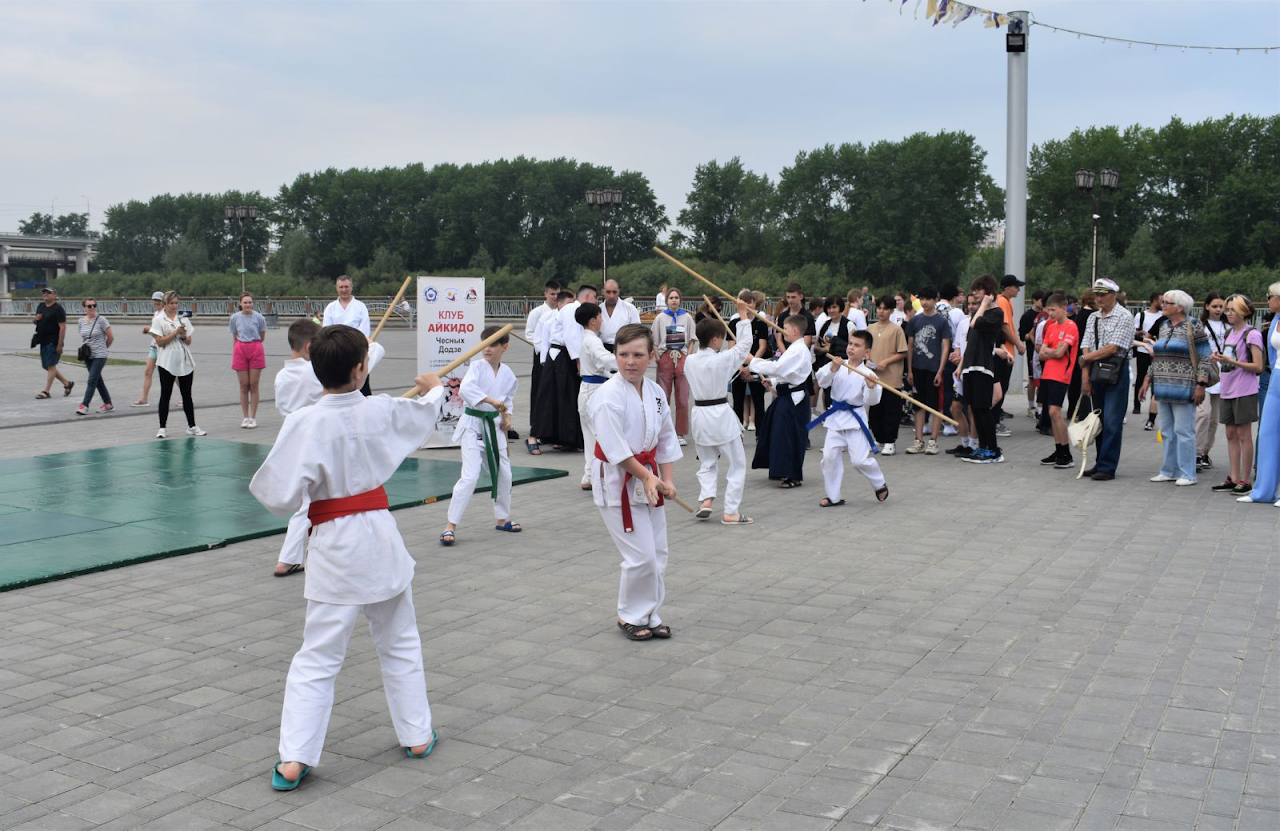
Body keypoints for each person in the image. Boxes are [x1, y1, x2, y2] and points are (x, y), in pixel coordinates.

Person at [249, 326, 444, 789]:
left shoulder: (304, 422)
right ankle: (417, 735)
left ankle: (295, 758)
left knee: (319, 655)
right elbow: (422, 414)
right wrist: (435, 388)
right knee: (399, 640)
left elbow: (276, 496)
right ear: (361, 369)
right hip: (379, 538)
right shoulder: (381, 409)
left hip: (335, 545)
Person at [586, 323, 681, 641]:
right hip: (617, 482)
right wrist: (648, 476)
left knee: (658, 552)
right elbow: (616, 451)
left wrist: (667, 479)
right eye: (623, 354)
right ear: (615, 355)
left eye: (638, 355)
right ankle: (630, 615)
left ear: (652, 356)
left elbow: (666, 438)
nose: (630, 361)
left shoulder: (655, 392)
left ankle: (651, 615)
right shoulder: (607, 397)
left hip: (649, 478)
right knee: (641, 556)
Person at [271, 319, 386, 577]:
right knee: (309, 501)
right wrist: (370, 346)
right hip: (319, 436)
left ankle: (289, 557)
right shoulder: (312, 373)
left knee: (305, 499)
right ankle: (287, 559)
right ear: (310, 347)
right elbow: (361, 367)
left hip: (294, 435)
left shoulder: (282, 375)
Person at [441, 325, 520, 545]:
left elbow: (509, 398)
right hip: (473, 426)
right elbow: (466, 389)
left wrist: (508, 416)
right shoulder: (476, 367)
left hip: (494, 427)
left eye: (493, 344)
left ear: (504, 347)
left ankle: (502, 518)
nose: (487, 349)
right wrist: (491, 401)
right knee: (470, 476)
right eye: (484, 344)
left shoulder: (507, 373)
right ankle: (450, 525)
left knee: (504, 473)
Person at [685, 300, 754, 525]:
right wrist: (743, 314)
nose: (723, 342)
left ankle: (706, 499)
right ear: (715, 340)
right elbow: (745, 345)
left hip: (700, 415)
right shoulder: (723, 359)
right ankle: (730, 511)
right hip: (720, 415)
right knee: (737, 463)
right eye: (722, 338)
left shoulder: (689, 361)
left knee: (707, 461)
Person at [1140, 290, 1212, 487]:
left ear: (1180, 307)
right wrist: (1147, 379)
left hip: (1184, 387)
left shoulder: (1193, 325)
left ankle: (1188, 473)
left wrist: (1201, 384)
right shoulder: (1163, 326)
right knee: (1166, 431)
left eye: (1167, 302)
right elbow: (1158, 355)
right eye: (1162, 302)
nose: (1162, 305)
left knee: (1184, 431)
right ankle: (1169, 470)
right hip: (1162, 387)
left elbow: (1205, 356)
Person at [812, 330, 888, 507]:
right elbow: (821, 381)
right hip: (835, 418)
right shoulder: (837, 364)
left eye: (857, 345)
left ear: (867, 352)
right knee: (829, 458)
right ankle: (833, 496)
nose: (852, 348)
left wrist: (871, 387)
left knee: (859, 461)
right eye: (850, 344)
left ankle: (879, 483)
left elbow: (872, 401)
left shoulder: (868, 374)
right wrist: (832, 369)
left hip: (855, 420)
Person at [1078, 278, 1135, 481]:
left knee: (1112, 421)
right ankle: (1101, 462)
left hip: (1116, 371)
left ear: (1114, 295)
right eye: (1097, 294)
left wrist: (1086, 359)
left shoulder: (1124, 316)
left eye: (1103, 294)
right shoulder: (1093, 317)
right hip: (1096, 370)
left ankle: (1108, 466)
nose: (1099, 298)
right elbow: (1086, 345)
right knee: (1099, 420)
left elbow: (1113, 348)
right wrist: (1085, 376)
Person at [1209, 295, 1265, 495]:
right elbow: (1229, 360)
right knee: (1230, 434)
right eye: (1227, 309)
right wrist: (1218, 359)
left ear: (1244, 311)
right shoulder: (1229, 332)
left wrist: (1231, 362)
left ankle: (1245, 480)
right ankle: (1233, 478)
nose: (1228, 313)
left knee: (1244, 435)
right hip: (1227, 388)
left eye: (1233, 309)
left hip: (1245, 390)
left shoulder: (1252, 334)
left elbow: (1258, 366)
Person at [750, 315, 813, 488]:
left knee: (790, 435)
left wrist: (752, 362)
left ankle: (793, 475)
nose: (782, 332)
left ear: (795, 331)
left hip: (794, 400)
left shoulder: (799, 350)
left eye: (785, 328)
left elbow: (778, 368)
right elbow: (789, 373)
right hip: (787, 396)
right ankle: (780, 468)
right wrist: (773, 382)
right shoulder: (795, 349)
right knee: (777, 432)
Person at [960, 275, 1016, 464]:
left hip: (983, 367)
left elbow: (974, 324)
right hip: (970, 366)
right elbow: (970, 340)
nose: (975, 293)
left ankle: (993, 450)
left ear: (989, 293)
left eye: (979, 290)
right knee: (975, 409)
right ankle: (982, 448)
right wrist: (961, 366)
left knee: (983, 409)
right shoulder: (979, 313)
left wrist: (984, 304)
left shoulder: (996, 313)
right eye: (974, 290)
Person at [1238, 282, 1280, 506]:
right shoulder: (1275, 320)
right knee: (1266, 433)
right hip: (1276, 378)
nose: (1267, 300)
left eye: (1269, 296)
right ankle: (1263, 490)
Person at [902, 286, 952, 456]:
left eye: (928, 299)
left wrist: (940, 371)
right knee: (918, 405)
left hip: (934, 369)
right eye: (922, 299)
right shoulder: (914, 321)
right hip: (917, 369)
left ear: (935, 300)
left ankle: (933, 441)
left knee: (935, 406)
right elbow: (910, 345)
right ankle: (918, 440)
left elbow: (945, 347)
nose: (924, 302)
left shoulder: (942, 321)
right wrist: (909, 370)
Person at [151, 291, 204, 439]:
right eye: (171, 303)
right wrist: (175, 332)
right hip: (166, 360)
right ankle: (162, 427)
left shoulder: (182, 318)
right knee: (165, 393)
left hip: (183, 359)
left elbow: (189, 341)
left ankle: (192, 426)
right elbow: (160, 342)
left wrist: (183, 335)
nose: (174, 306)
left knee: (187, 394)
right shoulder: (159, 319)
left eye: (176, 303)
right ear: (165, 304)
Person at [576, 303, 618, 491]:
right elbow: (604, 360)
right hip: (593, 390)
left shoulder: (588, 338)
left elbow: (601, 366)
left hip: (589, 388)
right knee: (598, 435)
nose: (602, 320)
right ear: (593, 320)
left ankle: (589, 475)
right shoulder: (592, 340)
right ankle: (596, 475)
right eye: (600, 317)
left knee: (590, 435)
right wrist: (626, 359)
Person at [1036, 294, 1078, 469]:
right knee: (1051, 413)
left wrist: (1050, 351)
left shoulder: (1071, 326)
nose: (1050, 313)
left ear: (1064, 309)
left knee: (1055, 412)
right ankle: (1058, 450)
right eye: (1048, 310)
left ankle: (1066, 453)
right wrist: (1052, 351)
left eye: (1053, 310)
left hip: (1061, 375)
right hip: (1047, 373)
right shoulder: (1051, 326)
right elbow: (1041, 352)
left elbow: (1060, 354)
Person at [530, 289, 575, 450]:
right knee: (548, 399)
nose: (572, 307)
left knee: (566, 400)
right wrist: (544, 361)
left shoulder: (574, 318)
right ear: (560, 304)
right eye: (569, 304)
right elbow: (543, 341)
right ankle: (538, 435)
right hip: (553, 358)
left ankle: (565, 437)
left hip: (569, 358)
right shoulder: (547, 318)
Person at [652, 287, 696, 446]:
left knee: (683, 398)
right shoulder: (660, 318)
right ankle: (663, 431)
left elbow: (692, 339)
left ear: (680, 300)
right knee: (663, 396)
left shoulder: (687, 318)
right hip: (665, 356)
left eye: (676, 297)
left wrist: (688, 357)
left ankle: (680, 432)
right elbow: (654, 340)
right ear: (666, 300)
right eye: (671, 298)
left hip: (682, 356)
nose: (674, 300)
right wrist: (658, 358)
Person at [867, 295, 908, 456]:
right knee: (875, 410)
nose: (881, 311)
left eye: (885, 308)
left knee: (891, 410)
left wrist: (886, 361)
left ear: (891, 311)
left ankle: (890, 441)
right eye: (879, 308)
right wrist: (868, 359)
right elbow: (865, 349)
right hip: (874, 377)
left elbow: (902, 352)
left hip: (891, 378)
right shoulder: (870, 328)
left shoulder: (897, 329)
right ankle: (879, 438)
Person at [523, 280, 560, 454]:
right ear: (545, 294)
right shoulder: (537, 312)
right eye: (552, 294)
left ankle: (553, 431)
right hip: (541, 355)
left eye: (557, 294)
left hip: (558, 355)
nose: (555, 297)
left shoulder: (562, 312)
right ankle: (536, 428)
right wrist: (542, 347)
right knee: (539, 391)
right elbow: (530, 333)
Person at [322, 276, 372, 395]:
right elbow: (326, 330)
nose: (344, 290)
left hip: (357, 349)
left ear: (351, 287)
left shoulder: (360, 306)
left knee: (362, 384)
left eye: (346, 287)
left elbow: (365, 330)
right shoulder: (331, 308)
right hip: (336, 350)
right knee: (338, 383)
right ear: (336, 288)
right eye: (341, 287)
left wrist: (353, 342)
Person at [1195, 292, 1228, 470]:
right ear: (1207, 306)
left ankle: (1205, 453)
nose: (1218, 309)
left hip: (1223, 374)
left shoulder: (1228, 325)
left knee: (1214, 419)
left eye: (1221, 306)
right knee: (1203, 414)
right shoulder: (1199, 326)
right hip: (1205, 372)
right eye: (1214, 306)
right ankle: (1196, 452)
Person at [730, 290, 770, 432]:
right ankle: (737, 433)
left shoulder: (761, 323)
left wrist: (751, 366)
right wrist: (741, 366)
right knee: (738, 402)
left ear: (754, 303)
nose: (747, 305)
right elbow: (732, 347)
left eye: (749, 302)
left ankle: (760, 434)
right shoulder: (734, 323)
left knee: (758, 401)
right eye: (743, 302)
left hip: (756, 365)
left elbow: (762, 346)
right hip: (738, 367)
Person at [230, 292, 268, 429]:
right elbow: (235, 336)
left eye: (250, 302)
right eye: (245, 302)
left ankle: (253, 417)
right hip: (240, 349)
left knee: (253, 384)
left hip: (255, 348)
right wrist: (236, 351)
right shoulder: (234, 318)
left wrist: (253, 344)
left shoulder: (259, 318)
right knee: (243, 385)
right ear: (240, 303)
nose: (247, 305)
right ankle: (245, 417)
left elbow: (262, 336)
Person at [994, 276, 1027, 436]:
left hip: (1006, 352)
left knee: (1002, 387)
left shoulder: (1006, 301)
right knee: (1000, 388)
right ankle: (994, 422)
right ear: (1007, 288)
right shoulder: (1002, 302)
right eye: (1016, 286)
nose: (1018, 289)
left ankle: (995, 419)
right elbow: (1005, 327)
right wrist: (1019, 344)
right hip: (1003, 353)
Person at [74, 297, 114, 415]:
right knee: (97, 380)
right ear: (84, 308)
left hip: (100, 355)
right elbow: (84, 337)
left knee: (92, 380)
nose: (92, 308)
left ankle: (84, 405)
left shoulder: (101, 320)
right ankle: (108, 403)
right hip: (88, 354)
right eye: (89, 306)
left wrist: (104, 348)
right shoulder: (81, 321)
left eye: (94, 305)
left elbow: (111, 337)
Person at [32, 287, 72, 400]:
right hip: (43, 340)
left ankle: (46, 391)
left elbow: (63, 327)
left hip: (53, 341)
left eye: (48, 292)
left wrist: (59, 344)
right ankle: (67, 383)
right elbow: (35, 322)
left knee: (51, 365)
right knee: (46, 366)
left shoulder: (58, 309)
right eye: (44, 292)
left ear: (54, 295)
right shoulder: (41, 306)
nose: (45, 294)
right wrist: (36, 319)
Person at [1133, 293, 1164, 428]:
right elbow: (1133, 332)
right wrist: (1140, 334)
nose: (1163, 304)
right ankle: (1137, 404)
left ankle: (1152, 409)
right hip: (1143, 350)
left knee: (1155, 380)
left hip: (1157, 352)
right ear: (1154, 301)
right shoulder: (1141, 315)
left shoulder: (1163, 316)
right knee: (1141, 377)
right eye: (1161, 301)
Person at [132, 292, 166, 407]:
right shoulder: (156, 313)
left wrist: (149, 329)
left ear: (164, 302)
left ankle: (184, 396)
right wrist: (149, 331)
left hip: (163, 348)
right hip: (154, 346)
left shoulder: (165, 314)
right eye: (155, 300)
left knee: (171, 374)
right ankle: (144, 399)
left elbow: (163, 331)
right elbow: (155, 332)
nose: (156, 302)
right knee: (147, 372)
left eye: (159, 300)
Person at [1019, 290, 1045, 418]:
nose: (1043, 303)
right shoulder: (1027, 316)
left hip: (1044, 351)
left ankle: (1041, 406)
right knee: (1032, 379)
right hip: (1032, 351)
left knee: (1042, 379)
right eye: (1041, 300)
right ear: (1034, 300)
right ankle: (1031, 406)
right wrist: (1033, 333)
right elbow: (1022, 336)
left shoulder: (1046, 315)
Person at [599, 279, 640, 352]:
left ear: (619, 291)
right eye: (608, 292)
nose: (611, 296)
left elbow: (637, 331)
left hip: (624, 348)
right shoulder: (598, 309)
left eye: (614, 292)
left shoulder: (630, 308)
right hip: (602, 349)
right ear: (603, 292)